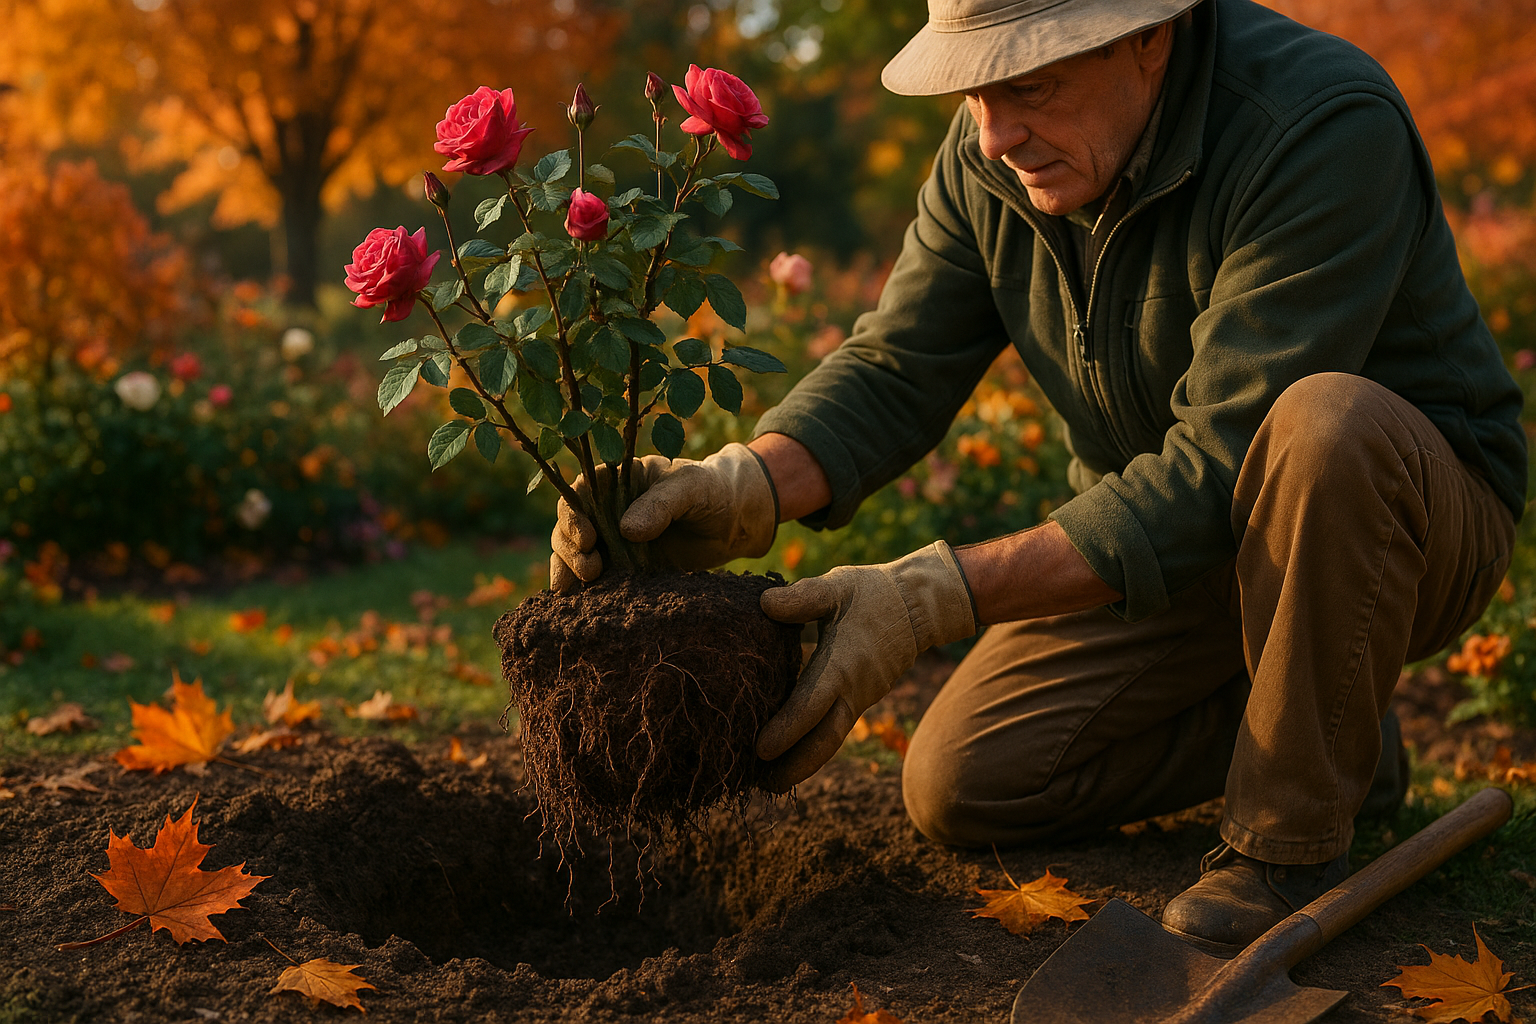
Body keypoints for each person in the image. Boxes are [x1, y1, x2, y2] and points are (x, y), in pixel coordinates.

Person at [551, 0, 1526, 957]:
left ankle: (1287, 840)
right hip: (1173, 547)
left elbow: (1219, 461)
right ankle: (1342, 724)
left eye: (1028, 84)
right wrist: (742, 485)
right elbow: (899, 363)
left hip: (1392, 519)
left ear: (1148, 35)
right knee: (962, 780)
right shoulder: (993, 158)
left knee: (1325, 424)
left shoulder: (1318, 122)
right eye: (975, 91)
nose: (994, 133)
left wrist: (931, 596)